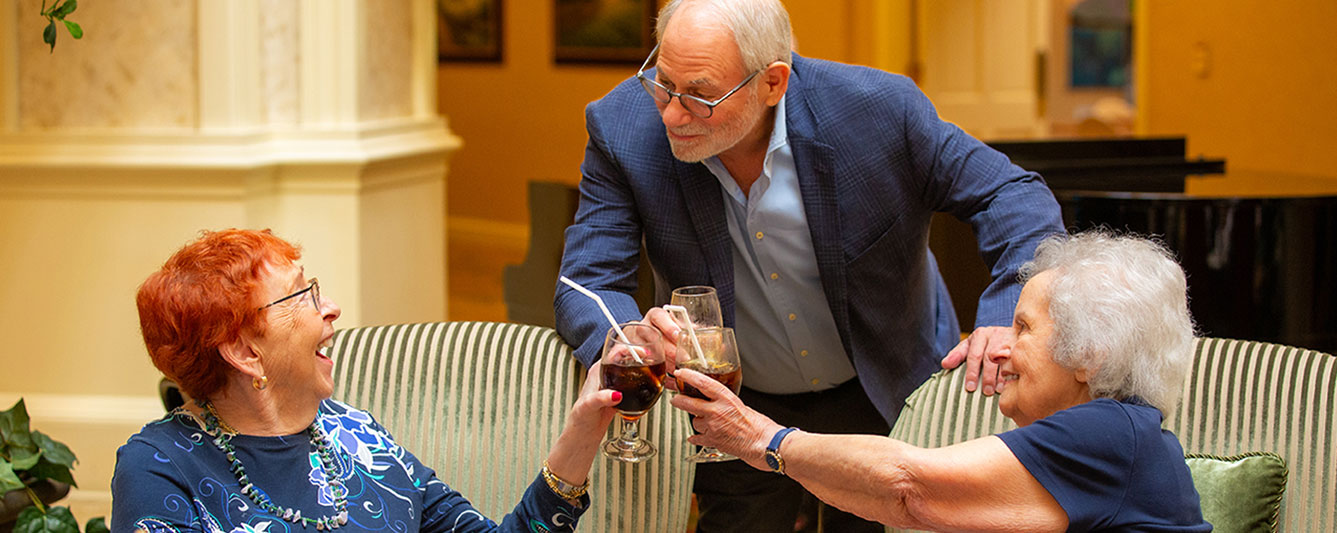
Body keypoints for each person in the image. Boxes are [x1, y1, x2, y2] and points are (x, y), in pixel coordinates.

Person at [553, 0, 1063, 530]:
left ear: (772, 83)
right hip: (735, 407)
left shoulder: (878, 112)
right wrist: (630, 340)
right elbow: (585, 281)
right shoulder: (623, 129)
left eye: (701, 95)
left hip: (881, 390)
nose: (671, 113)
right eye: (662, 83)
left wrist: (1009, 316)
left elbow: (1013, 196)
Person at [672, 231, 1211, 532]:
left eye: (1021, 327)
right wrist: (769, 451)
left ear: (1089, 355)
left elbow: (909, 486)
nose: (998, 345)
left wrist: (759, 436)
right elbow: (891, 502)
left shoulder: (1110, 434)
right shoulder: (1108, 436)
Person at [112, 229, 621, 532]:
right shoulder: (158, 466)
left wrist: (580, 436)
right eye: (303, 295)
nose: (330, 308)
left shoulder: (355, 435)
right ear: (245, 352)